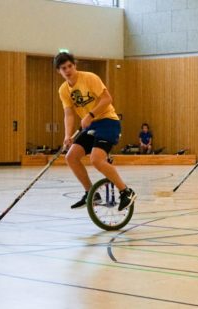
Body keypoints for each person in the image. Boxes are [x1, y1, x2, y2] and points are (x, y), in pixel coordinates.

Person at [54, 52, 136, 211]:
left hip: (107, 122)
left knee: (96, 159)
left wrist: (91, 114)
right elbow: (69, 114)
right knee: (71, 157)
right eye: (64, 68)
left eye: (70, 66)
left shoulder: (89, 78)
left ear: (75, 65)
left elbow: (107, 99)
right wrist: (67, 135)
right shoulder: (63, 90)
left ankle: (126, 191)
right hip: (90, 126)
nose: (68, 70)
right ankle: (91, 193)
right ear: (59, 71)